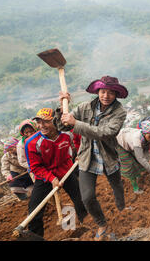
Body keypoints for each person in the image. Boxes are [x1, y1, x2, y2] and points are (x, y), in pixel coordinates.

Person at [55, 76, 128, 240]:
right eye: (103, 92)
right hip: (87, 157)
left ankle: (122, 209)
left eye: (110, 93)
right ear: (98, 92)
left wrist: (76, 124)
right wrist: (62, 106)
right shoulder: (84, 107)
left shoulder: (119, 112)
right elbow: (62, 126)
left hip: (108, 156)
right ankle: (102, 223)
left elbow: (105, 132)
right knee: (87, 197)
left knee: (116, 185)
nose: (106, 96)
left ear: (116, 94)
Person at [25, 108, 87, 238]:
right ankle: (36, 238)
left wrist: (79, 153)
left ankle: (86, 224)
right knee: (34, 212)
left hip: (66, 171)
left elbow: (80, 140)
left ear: (55, 121)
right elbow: (35, 167)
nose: (42, 126)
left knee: (81, 199)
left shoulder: (67, 133)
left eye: (46, 122)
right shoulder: (31, 143)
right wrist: (51, 178)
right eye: (39, 122)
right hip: (45, 177)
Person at [116, 121, 150, 194]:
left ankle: (139, 176)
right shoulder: (137, 139)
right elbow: (140, 158)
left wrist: (149, 159)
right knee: (130, 165)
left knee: (141, 162)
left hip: (129, 142)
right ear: (144, 134)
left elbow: (146, 149)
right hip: (120, 142)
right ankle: (135, 188)